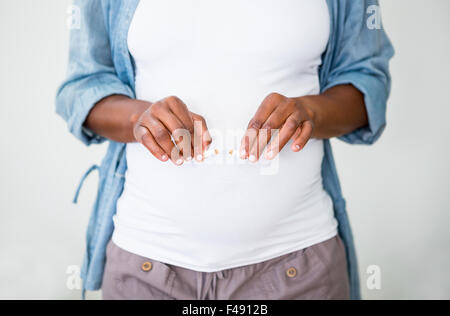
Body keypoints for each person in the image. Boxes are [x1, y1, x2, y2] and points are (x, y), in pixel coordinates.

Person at [56, 0, 394, 300]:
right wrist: (138, 118)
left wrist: (311, 112)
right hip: (147, 267)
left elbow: (367, 82)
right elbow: (82, 86)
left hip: (299, 265)